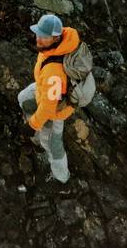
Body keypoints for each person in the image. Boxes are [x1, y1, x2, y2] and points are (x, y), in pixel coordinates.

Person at [17, 13, 81, 184]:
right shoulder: (56, 46)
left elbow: (48, 107)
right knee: (23, 97)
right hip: (45, 88)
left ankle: (62, 179)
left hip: (55, 109)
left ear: (56, 38)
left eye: (44, 37)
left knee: (53, 145)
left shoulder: (54, 72)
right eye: (38, 33)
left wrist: (32, 126)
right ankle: (39, 135)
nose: (38, 39)